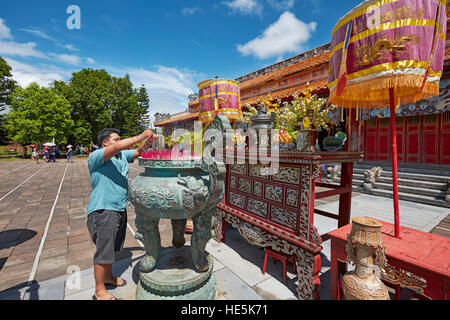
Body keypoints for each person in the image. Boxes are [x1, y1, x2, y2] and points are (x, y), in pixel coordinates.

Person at [86, 128, 157, 300]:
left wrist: (148, 141)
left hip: (118, 208)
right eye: (115, 139)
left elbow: (138, 151)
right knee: (103, 251)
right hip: (103, 209)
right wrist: (141, 135)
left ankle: (109, 277)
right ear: (105, 143)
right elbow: (118, 147)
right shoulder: (96, 157)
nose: (119, 142)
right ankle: (99, 290)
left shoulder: (121, 156)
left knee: (112, 248)